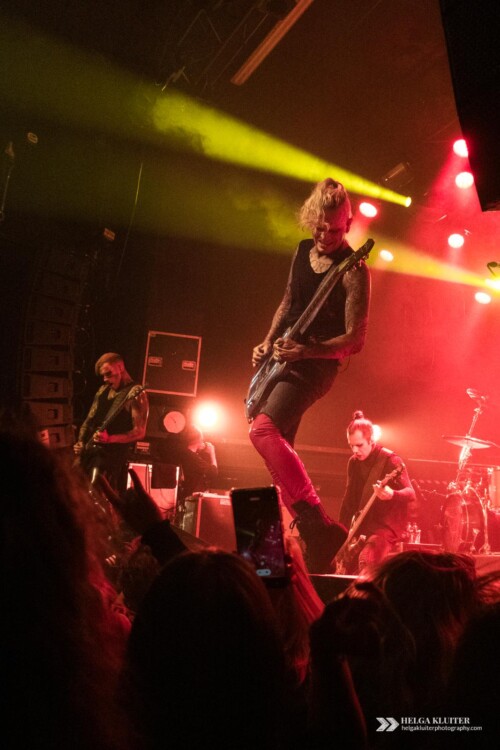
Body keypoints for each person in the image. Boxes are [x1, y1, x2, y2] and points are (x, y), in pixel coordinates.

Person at [249, 178, 370, 573]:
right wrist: (267, 341)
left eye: (335, 230)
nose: (326, 236)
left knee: (262, 431)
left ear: (348, 224)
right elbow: (288, 302)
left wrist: (306, 351)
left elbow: (355, 340)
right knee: (278, 453)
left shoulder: (354, 270)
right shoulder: (303, 250)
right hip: (284, 358)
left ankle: (318, 521)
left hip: (315, 366)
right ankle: (312, 541)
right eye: (320, 227)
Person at [338, 410, 416, 575]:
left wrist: (392, 494)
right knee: (344, 566)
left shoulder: (390, 460)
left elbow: (411, 493)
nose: (355, 450)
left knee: (366, 558)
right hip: (363, 524)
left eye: (359, 445)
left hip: (385, 526)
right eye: (351, 445)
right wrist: (341, 531)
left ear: (371, 440)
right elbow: (349, 499)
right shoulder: (353, 462)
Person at [74, 352, 149, 493]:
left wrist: (110, 439)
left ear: (120, 367)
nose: (105, 379)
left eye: (108, 374)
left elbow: (140, 432)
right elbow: (88, 420)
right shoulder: (102, 390)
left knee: (94, 493)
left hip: (109, 459)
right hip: (89, 453)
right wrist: (80, 442)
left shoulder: (136, 393)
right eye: (103, 376)